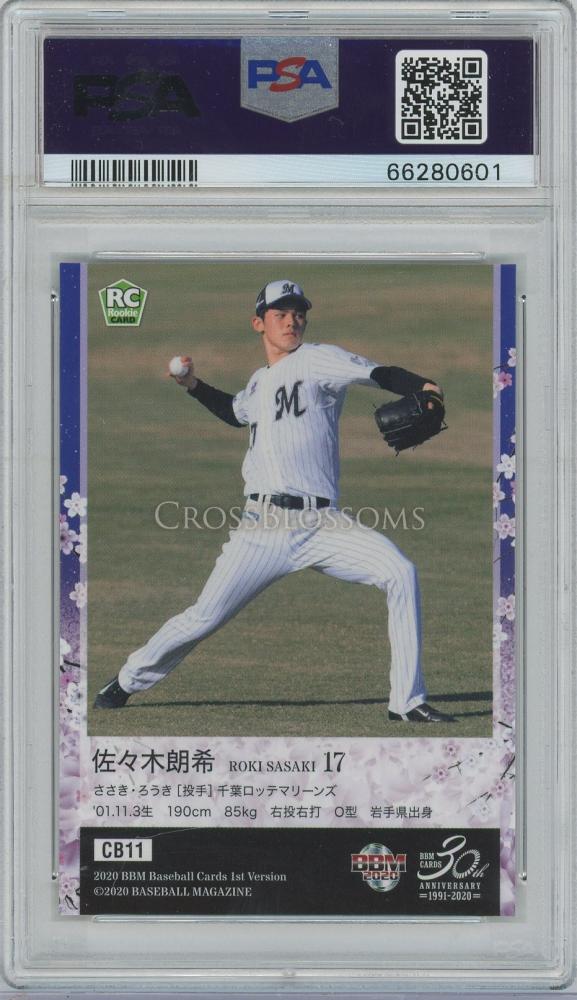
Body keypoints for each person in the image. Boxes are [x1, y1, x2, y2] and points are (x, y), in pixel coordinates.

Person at [95, 279, 454, 723]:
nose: (291, 321)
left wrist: (425, 385)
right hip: (262, 528)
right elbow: (234, 412)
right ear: (258, 323)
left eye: (298, 313)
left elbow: (379, 374)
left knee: (400, 572)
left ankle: (407, 701)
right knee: (203, 617)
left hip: (324, 525)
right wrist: (192, 385)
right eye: (280, 314)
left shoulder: (319, 359)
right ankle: (127, 680)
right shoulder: (259, 382)